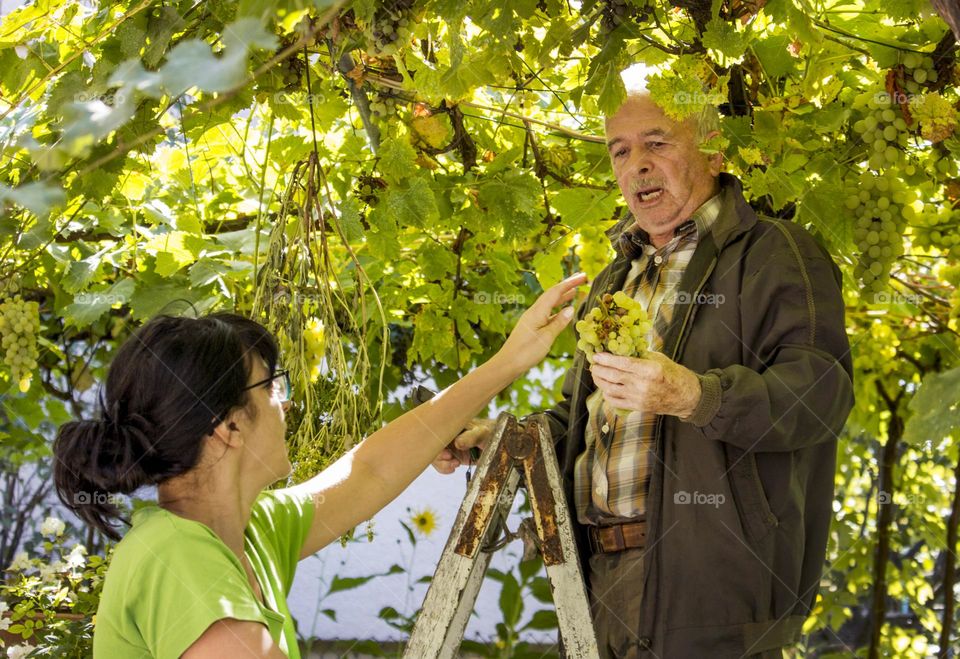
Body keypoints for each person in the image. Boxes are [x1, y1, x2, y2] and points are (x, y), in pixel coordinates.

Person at [434, 93, 854, 658]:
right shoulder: (614, 278)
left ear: (713, 151)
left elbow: (821, 395)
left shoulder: (774, 252)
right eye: (620, 151)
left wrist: (698, 397)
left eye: (657, 143)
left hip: (711, 591)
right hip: (593, 581)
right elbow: (583, 419)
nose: (637, 165)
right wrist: (501, 442)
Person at [51, 272, 586, 658]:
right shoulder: (178, 554)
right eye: (270, 386)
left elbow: (368, 472)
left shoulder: (246, 530)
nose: (285, 402)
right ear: (227, 427)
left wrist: (510, 361)